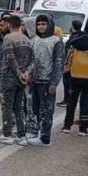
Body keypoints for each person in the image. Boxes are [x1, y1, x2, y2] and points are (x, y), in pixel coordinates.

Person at [25, 14, 65, 147]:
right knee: (34, 108)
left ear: (50, 25)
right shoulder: (34, 40)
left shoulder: (56, 42)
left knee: (46, 110)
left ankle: (45, 137)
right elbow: (30, 60)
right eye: (39, 24)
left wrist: (54, 82)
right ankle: (34, 131)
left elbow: (59, 63)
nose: (41, 27)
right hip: (34, 80)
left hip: (47, 82)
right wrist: (28, 75)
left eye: (44, 24)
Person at [0, 14, 32, 145]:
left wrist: (19, 73)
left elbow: (10, 58)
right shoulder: (27, 39)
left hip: (10, 76)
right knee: (19, 106)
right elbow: (33, 60)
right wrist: (26, 73)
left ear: (9, 25)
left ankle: (7, 134)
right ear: (20, 25)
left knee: (7, 106)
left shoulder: (8, 38)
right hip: (22, 79)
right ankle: (21, 135)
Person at [61, 21, 88, 136]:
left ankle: (67, 125)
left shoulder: (75, 42)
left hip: (75, 75)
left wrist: (66, 70)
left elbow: (68, 57)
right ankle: (83, 129)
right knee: (87, 102)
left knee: (72, 102)